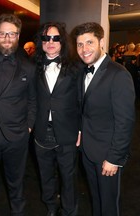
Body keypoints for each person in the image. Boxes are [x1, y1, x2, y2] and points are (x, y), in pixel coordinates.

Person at [72, 22, 135, 216]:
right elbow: (86, 109)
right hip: (89, 150)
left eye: (89, 42)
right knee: (96, 199)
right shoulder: (84, 71)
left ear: (102, 42)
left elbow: (125, 121)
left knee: (108, 205)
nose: (84, 49)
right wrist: (81, 131)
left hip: (108, 155)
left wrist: (114, 158)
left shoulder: (118, 74)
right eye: (80, 44)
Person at [0, 13, 36, 216]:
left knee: (16, 182)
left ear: (18, 36)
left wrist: (28, 126)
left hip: (16, 135)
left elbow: (33, 100)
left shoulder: (29, 67)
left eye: (12, 34)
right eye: (3, 34)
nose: (7, 38)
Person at [33, 22, 81, 216]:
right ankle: (51, 207)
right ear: (41, 42)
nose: (50, 42)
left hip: (68, 131)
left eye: (55, 38)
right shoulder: (33, 67)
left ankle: (69, 211)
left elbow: (82, 101)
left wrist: (81, 129)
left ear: (63, 41)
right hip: (41, 131)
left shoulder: (76, 67)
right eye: (46, 38)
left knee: (68, 176)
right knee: (45, 176)